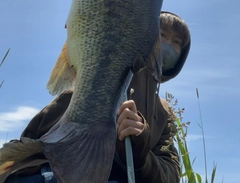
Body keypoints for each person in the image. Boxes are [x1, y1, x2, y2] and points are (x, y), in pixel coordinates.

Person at [1, 10, 190, 183]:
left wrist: (140, 153)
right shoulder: (92, 77)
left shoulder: (164, 112)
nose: (167, 45)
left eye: (176, 42)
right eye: (162, 35)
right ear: (144, 34)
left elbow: (170, 175)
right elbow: (32, 136)